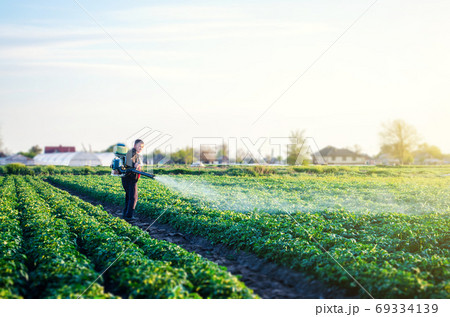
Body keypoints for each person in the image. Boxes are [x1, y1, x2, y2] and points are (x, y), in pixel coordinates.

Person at [121, 139, 144, 220]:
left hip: (127, 179)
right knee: (134, 198)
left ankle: (125, 214)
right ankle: (129, 216)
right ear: (135, 146)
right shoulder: (132, 152)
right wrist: (135, 164)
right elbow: (128, 162)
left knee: (129, 196)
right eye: (139, 146)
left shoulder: (134, 153)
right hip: (130, 179)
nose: (140, 148)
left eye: (142, 147)